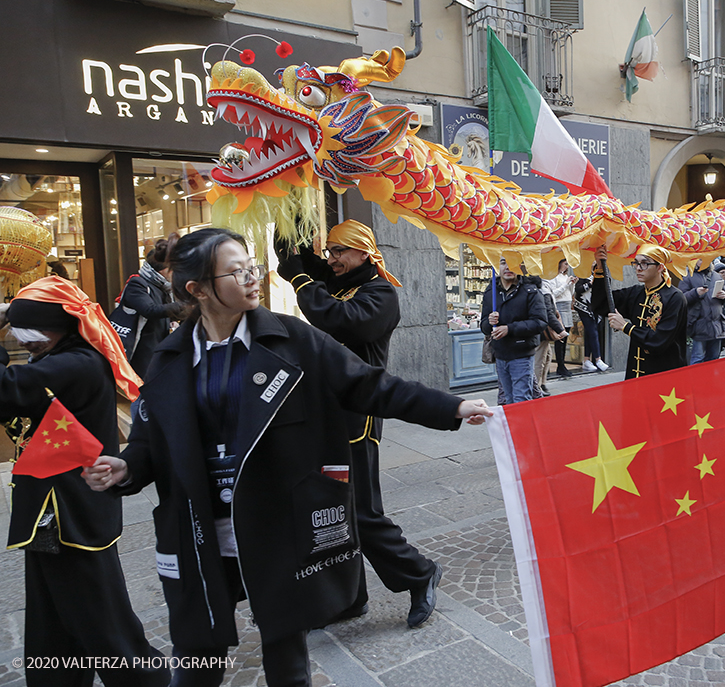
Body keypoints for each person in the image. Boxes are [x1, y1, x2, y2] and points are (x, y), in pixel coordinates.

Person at [84, 228, 491, 687]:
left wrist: (451, 407)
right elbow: (149, 438)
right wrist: (127, 467)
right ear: (197, 289)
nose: (252, 279)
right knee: (197, 653)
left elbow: (370, 385)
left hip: (275, 523)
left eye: (252, 267)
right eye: (236, 272)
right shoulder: (170, 358)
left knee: (286, 654)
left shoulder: (291, 339)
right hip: (197, 528)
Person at [274, 219, 444, 627]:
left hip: (358, 417)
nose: (331, 259)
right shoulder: (341, 282)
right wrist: (288, 213)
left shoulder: (380, 293)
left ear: (364, 253)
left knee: (362, 512)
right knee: (332, 511)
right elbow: (294, 259)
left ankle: (420, 573)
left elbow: (339, 319)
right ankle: (350, 597)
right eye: (330, 251)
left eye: (339, 252)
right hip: (325, 413)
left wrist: (302, 277)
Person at [4, 276, 169, 687]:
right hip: (53, 506)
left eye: (29, 333)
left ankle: (144, 678)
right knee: (51, 612)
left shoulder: (75, 363)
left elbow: (6, 391)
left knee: (96, 611)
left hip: (69, 510)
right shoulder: (62, 356)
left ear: (54, 328)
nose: (24, 343)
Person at [591, 245, 687, 379]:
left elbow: (659, 340)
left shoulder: (675, 298)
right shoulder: (635, 293)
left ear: (660, 267)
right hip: (635, 373)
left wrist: (626, 327)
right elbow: (601, 305)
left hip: (664, 375)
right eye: (636, 263)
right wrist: (601, 269)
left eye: (645, 263)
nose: (638, 268)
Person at [480, 259, 547, 403]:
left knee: (521, 399)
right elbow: (484, 326)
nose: (508, 266)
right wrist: (489, 322)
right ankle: (513, 426)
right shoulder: (491, 291)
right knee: (508, 400)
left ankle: (523, 426)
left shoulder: (530, 291)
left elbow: (540, 322)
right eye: (503, 262)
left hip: (521, 353)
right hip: (500, 353)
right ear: (497, 266)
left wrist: (509, 329)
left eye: (512, 261)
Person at [119, 236, 188, 377]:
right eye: (173, 269)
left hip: (161, 345)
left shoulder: (165, 287)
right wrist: (184, 305)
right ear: (162, 269)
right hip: (143, 348)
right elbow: (150, 310)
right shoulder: (138, 284)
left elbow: (173, 313)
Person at [678, 259, 725, 364]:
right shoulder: (687, 275)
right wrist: (695, 293)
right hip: (698, 326)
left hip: (716, 326)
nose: (704, 260)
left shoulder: (716, 276)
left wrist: (724, 295)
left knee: (714, 359)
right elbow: (681, 299)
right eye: (701, 258)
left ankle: (710, 380)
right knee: (697, 359)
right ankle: (695, 380)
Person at [529, 269, 568, 397]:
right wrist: (560, 329)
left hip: (540, 328)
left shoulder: (544, 286)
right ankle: (536, 386)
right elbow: (548, 312)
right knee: (539, 360)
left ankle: (542, 383)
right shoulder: (542, 289)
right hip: (541, 330)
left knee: (546, 357)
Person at [544, 259, 576, 378]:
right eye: (565, 263)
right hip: (559, 307)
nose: (567, 266)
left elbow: (570, 293)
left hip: (567, 307)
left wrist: (572, 284)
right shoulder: (553, 277)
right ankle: (560, 365)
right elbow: (554, 294)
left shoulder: (565, 276)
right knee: (559, 338)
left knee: (566, 337)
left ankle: (561, 365)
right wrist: (566, 284)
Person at [573, 276, 609, 372]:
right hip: (584, 308)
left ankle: (586, 360)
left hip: (595, 308)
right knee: (592, 332)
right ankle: (598, 359)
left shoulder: (600, 275)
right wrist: (590, 283)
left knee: (590, 333)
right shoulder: (583, 275)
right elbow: (578, 289)